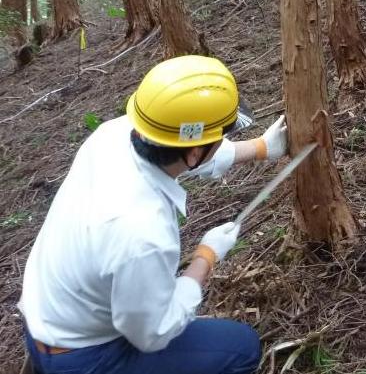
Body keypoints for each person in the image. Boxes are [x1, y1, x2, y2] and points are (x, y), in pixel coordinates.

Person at [19, 55, 289, 374]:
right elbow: (154, 333)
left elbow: (187, 153)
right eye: (221, 136)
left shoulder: (113, 135)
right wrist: (205, 257)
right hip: (82, 357)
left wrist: (261, 148)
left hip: (45, 317)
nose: (221, 141)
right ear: (194, 151)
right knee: (241, 347)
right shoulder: (142, 232)